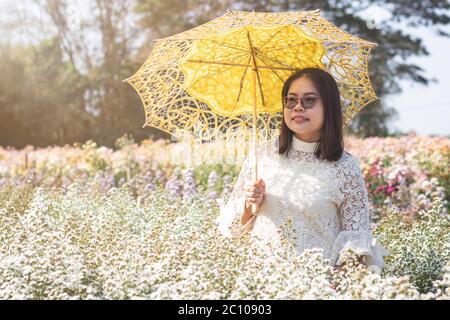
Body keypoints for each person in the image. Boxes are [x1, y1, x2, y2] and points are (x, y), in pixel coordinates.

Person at [215, 67, 387, 273]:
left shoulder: (345, 167)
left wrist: (331, 287)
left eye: (309, 100)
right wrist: (249, 204)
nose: (297, 107)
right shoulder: (262, 156)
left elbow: (355, 244)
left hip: (317, 287)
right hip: (260, 284)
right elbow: (234, 232)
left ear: (329, 107)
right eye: (290, 100)